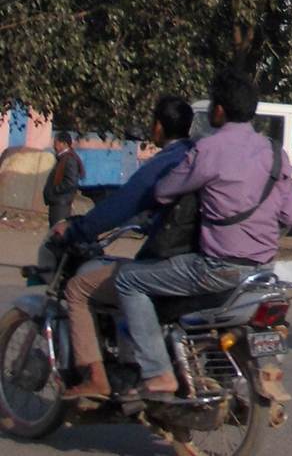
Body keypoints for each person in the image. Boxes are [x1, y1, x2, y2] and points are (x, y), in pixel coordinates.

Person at [115, 70, 292, 399]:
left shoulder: (209, 149)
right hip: (262, 273)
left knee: (128, 279)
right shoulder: (276, 153)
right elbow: (290, 215)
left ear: (219, 110)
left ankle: (157, 373)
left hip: (216, 269)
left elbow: (164, 191)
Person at [52, 95, 196, 401]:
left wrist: (78, 229)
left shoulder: (164, 163)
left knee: (78, 288)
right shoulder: (197, 157)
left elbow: (120, 205)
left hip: (170, 261)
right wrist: (149, 220)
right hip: (199, 259)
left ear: (157, 127)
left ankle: (97, 377)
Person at [43, 131, 84, 226]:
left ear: (64, 144)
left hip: (61, 204)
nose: (54, 146)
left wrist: (55, 190)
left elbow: (71, 182)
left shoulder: (69, 159)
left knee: (58, 233)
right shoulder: (62, 158)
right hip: (57, 202)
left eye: (56, 143)